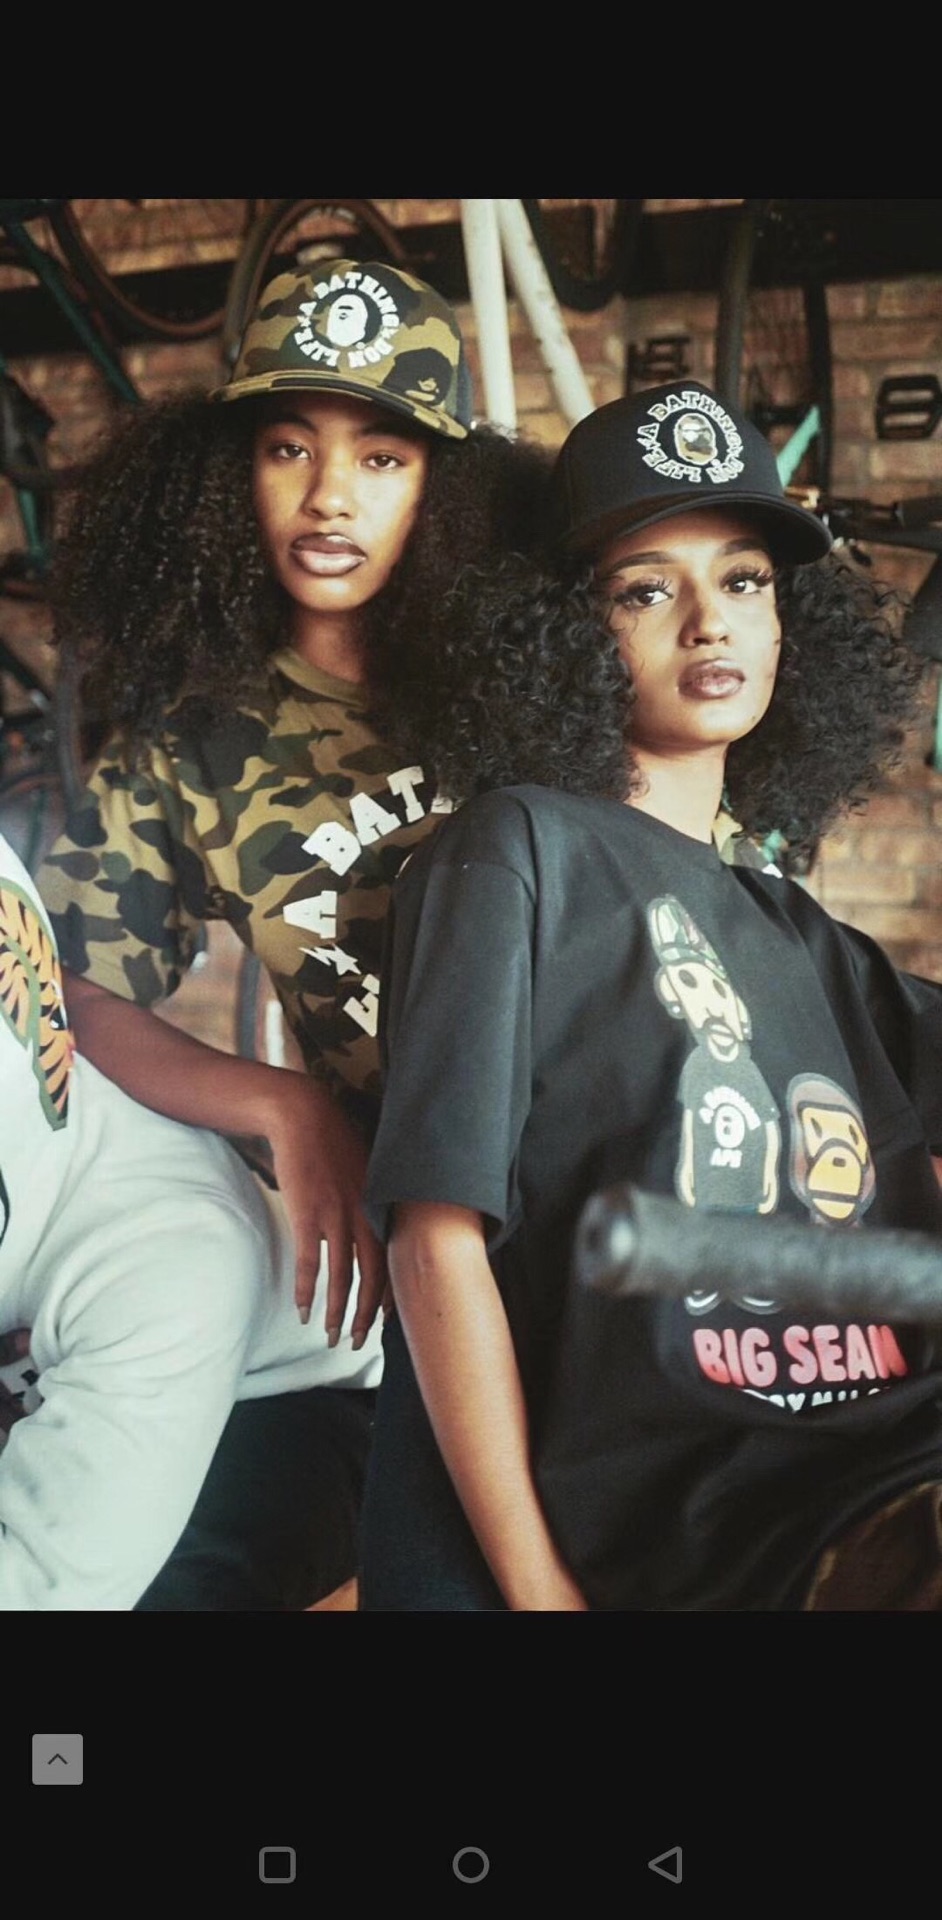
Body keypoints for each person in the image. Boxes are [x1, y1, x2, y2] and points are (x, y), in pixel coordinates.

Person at [360, 378, 942, 1612]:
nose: (709, 621)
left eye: (745, 580)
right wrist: (536, 1593)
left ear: (789, 627)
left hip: (906, 1455)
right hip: (734, 1522)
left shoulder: (805, 936)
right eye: (644, 589)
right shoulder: (514, 853)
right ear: (567, 635)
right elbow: (436, 1240)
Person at [35, 259, 550, 1609]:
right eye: (286, 448)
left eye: (381, 458)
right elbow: (70, 991)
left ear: (444, 491)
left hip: (602, 1206)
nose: (329, 497)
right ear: (226, 480)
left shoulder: (536, 693)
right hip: (413, 1257)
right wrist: (280, 1104)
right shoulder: (193, 742)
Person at [0, 827, 372, 1609]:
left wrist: (290, 1106)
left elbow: (40, 1594)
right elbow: (75, 991)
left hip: (287, 1396)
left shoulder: (166, 1267)